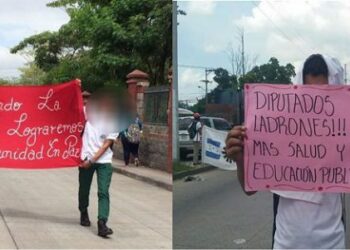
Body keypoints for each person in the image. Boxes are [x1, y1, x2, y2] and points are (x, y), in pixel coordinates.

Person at [225, 54, 346, 249]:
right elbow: (250, 190)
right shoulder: (278, 129)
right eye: (309, 95)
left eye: (323, 97)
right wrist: (241, 160)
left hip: (333, 244)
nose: (315, 106)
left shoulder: (343, 133)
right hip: (285, 244)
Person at [79, 93, 118, 238]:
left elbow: (106, 145)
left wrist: (92, 161)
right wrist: (77, 87)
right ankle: (83, 212)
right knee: (84, 189)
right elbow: (70, 107)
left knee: (103, 192)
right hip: (84, 159)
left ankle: (102, 222)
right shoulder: (87, 115)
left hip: (103, 162)